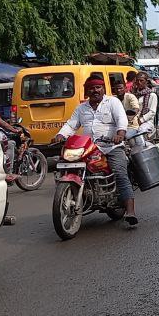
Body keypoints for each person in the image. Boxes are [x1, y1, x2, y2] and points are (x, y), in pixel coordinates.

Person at [52, 76, 138, 226]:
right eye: (91, 88)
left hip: (111, 147)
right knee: (66, 165)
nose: (95, 90)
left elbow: (121, 119)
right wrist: (60, 135)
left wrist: (120, 134)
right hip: (90, 148)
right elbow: (71, 125)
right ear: (86, 91)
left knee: (120, 173)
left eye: (98, 87)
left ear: (103, 89)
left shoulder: (113, 102)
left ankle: (130, 211)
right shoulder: (81, 108)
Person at [131, 71, 158, 140]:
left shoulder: (152, 95)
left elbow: (152, 112)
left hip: (147, 122)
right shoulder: (133, 94)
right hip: (133, 121)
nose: (139, 82)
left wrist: (141, 120)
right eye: (137, 81)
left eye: (141, 80)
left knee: (140, 132)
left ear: (146, 81)